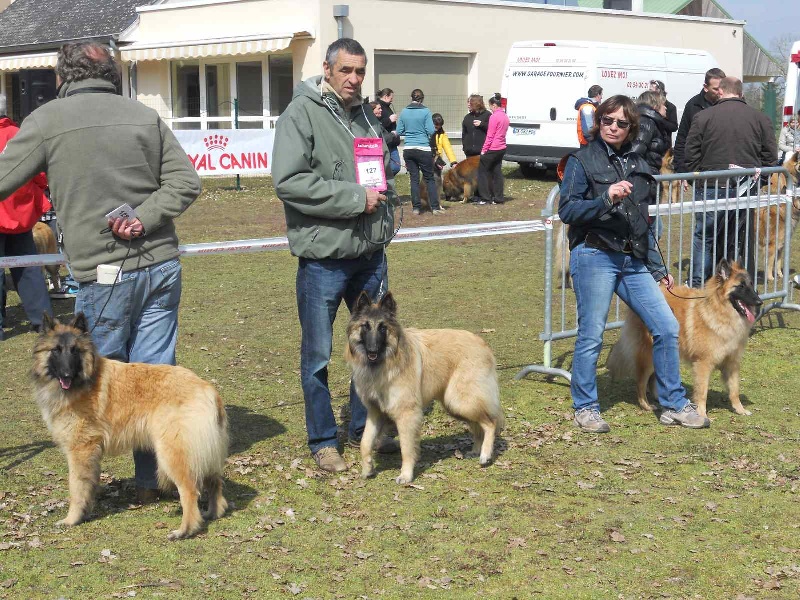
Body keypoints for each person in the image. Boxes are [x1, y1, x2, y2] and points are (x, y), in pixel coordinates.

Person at [0, 42, 202, 502]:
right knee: (153, 377)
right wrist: (145, 217)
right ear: (110, 72)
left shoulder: (47, 120)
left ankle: (88, 487)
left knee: (90, 383)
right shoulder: (143, 115)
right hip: (161, 266)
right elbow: (187, 181)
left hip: (104, 271)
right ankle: (154, 480)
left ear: (60, 78)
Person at [272, 38, 400, 473]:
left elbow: (378, 167)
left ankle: (365, 429)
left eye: (360, 71)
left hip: (369, 253)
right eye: (346, 70)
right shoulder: (301, 113)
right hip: (324, 257)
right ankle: (323, 441)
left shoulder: (365, 114)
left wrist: (388, 163)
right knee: (318, 356)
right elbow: (289, 181)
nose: (354, 79)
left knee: (374, 347)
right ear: (327, 69)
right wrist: (353, 198)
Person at [559, 94, 709, 433]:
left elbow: (641, 222)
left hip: (632, 259)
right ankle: (586, 408)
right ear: (598, 123)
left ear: (631, 128)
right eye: (608, 120)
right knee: (592, 334)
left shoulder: (638, 165)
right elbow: (567, 210)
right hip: (593, 253)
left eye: (622, 123)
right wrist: (604, 197)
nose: (614, 127)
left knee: (667, 327)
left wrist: (658, 266)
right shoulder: (581, 161)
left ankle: (673, 403)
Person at [685, 76, 778, 287]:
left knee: (705, 238)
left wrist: (699, 179)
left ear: (721, 92)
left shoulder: (703, 117)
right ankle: (734, 285)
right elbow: (770, 158)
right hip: (745, 189)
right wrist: (759, 180)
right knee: (738, 240)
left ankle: (699, 284)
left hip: (711, 186)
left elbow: (690, 155)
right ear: (741, 93)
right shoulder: (760, 118)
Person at [0, 103, 53, 339]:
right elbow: (40, 173)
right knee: (29, 267)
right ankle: (42, 321)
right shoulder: (20, 134)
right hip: (21, 213)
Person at [397, 89, 445, 215]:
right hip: (423, 148)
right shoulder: (426, 111)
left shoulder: (404, 111)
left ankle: (416, 208)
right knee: (429, 178)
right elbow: (430, 130)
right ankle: (434, 207)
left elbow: (399, 130)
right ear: (422, 98)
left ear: (411, 97)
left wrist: (410, 131)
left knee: (414, 179)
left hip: (408, 149)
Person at [672, 67, 725, 175]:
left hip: (725, 167)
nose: (720, 92)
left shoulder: (730, 105)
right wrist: (681, 171)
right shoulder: (693, 105)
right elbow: (682, 138)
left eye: (722, 88)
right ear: (706, 87)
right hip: (700, 170)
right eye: (716, 89)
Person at [631, 90, 676, 175]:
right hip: (645, 175)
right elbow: (635, 152)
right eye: (663, 105)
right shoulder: (646, 122)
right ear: (655, 106)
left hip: (650, 173)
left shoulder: (651, 122)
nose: (666, 108)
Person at [477, 93, 510, 205]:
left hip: (492, 148)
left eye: (490, 106)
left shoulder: (494, 117)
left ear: (494, 105)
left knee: (482, 172)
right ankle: (499, 198)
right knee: (497, 173)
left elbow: (490, 135)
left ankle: (485, 198)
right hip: (502, 147)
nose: (490, 108)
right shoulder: (505, 116)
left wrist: (483, 150)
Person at [376, 88, 401, 176]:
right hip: (386, 141)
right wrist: (389, 120)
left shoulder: (387, 107)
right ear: (386, 96)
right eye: (391, 97)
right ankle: (384, 179)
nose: (392, 100)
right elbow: (377, 125)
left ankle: (386, 182)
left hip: (392, 141)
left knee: (395, 166)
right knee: (394, 167)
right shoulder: (378, 107)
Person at [462, 94, 490, 159]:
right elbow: (464, 133)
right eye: (468, 102)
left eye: (470, 102)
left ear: (476, 103)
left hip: (483, 152)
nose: (468, 104)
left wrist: (482, 124)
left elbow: (492, 130)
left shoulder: (487, 115)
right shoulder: (467, 117)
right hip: (469, 153)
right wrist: (465, 147)